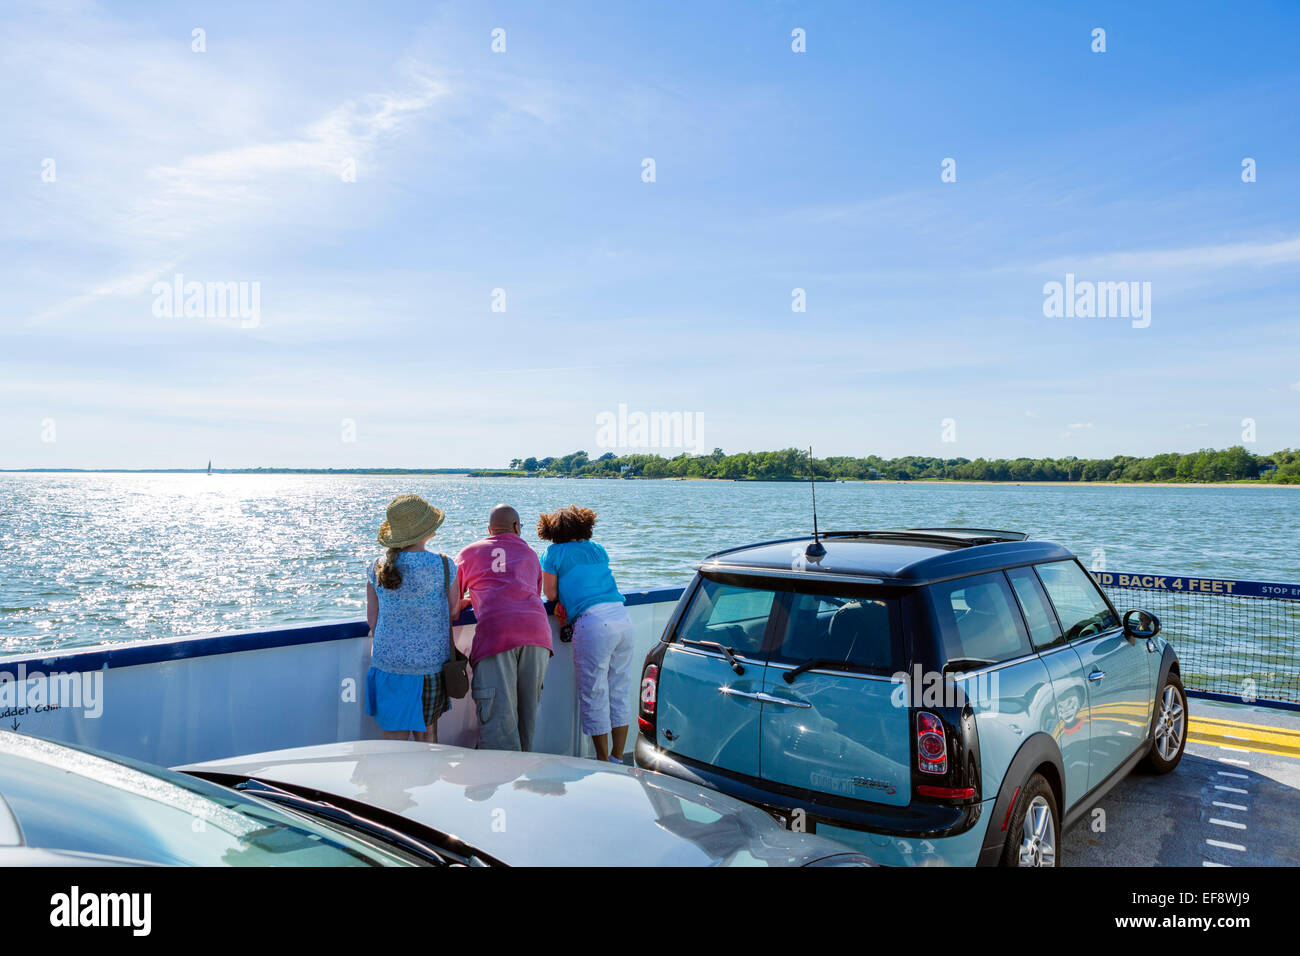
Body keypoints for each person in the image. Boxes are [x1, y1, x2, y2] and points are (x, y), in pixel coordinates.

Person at [536, 505, 634, 764]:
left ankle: (603, 760)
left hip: (594, 623)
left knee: (594, 692)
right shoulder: (598, 549)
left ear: (553, 530)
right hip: (622, 618)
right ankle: (618, 756)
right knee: (619, 690)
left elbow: (551, 594)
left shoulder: (553, 553)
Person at [454, 504, 553, 751]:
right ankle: (520, 779)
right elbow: (534, 592)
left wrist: (469, 600)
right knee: (527, 717)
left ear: (489, 530)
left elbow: (451, 601)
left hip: (496, 635)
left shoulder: (469, 552)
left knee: (498, 723)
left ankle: (501, 783)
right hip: (537, 633)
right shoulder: (530, 552)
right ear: (517, 527)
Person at [365, 494, 457, 742]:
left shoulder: (377, 566)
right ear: (426, 531)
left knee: (392, 738)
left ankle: (391, 781)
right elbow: (453, 610)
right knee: (428, 738)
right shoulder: (445, 565)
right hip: (429, 665)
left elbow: (372, 617)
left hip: (388, 662)